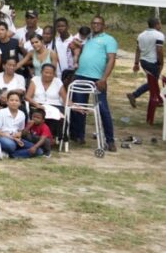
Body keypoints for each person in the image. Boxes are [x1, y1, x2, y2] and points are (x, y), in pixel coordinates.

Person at [70, 15, 118, 152]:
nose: (95, 25)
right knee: (79, 107)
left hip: (97, 79)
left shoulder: (109, 40)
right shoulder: (87, 37)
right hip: (80, 75)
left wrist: (104, 78)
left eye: (98, 23)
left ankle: (110, 140)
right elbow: (75, 47)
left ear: (104, 25)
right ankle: (79, 136)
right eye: (93, 23)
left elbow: (111, 60)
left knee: (102, 108)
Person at [129, 16, 164, 117]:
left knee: (152, 81)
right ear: (157, 24)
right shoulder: (159, 35)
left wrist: (136, 63)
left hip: (143, 61)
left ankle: (159, 100)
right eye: (160, 23)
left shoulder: (141, 35)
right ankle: (135, 94)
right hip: (153, 62)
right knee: (152, 82)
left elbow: (137, 50)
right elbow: (159, 50)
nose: (161, 25)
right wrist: (161, 62)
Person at [0, 92, 32, 159]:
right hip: (2, 137)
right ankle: (16, 152)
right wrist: (12, 138)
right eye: (11, 100)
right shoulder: (0, 113)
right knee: (11, 145)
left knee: (37, 150)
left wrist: (19, 136)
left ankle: (10, 155)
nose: (14, 102)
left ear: (20, 103)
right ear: (7, 102)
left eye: (16, 100)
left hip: (16, 138)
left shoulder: (22, 114)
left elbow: (20, 130)